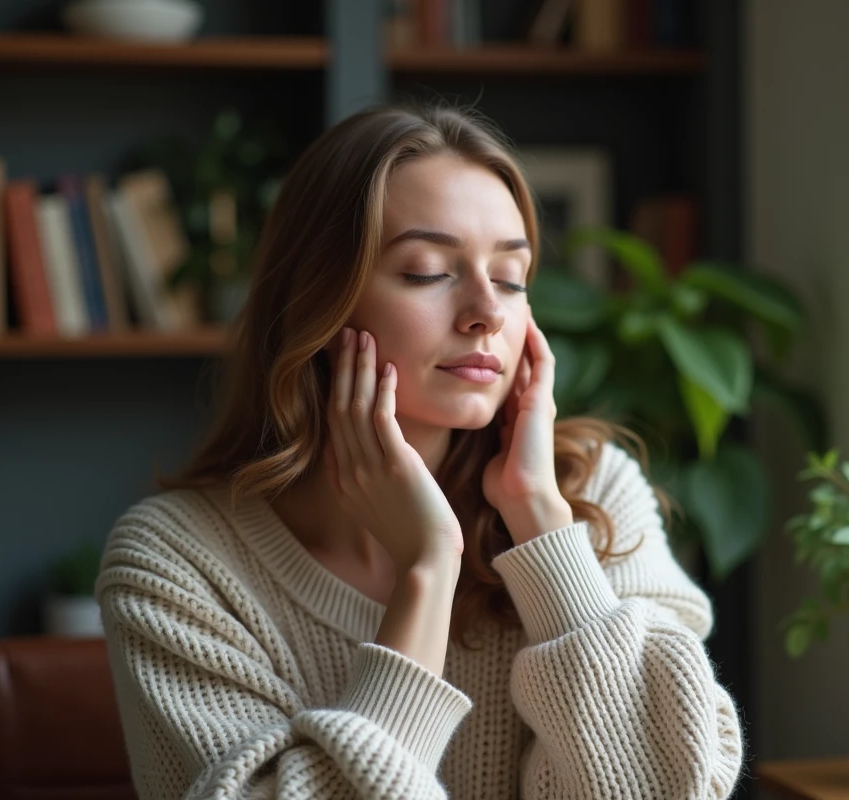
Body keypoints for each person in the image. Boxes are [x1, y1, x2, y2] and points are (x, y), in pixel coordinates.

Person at [95, 102, 744, 799]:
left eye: (511, 277)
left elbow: (670, 788)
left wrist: (543, 529)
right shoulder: (176, 564)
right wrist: (428, 572)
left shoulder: (592, 495)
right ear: (320, 301)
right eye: (429, 271)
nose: (487, 313)